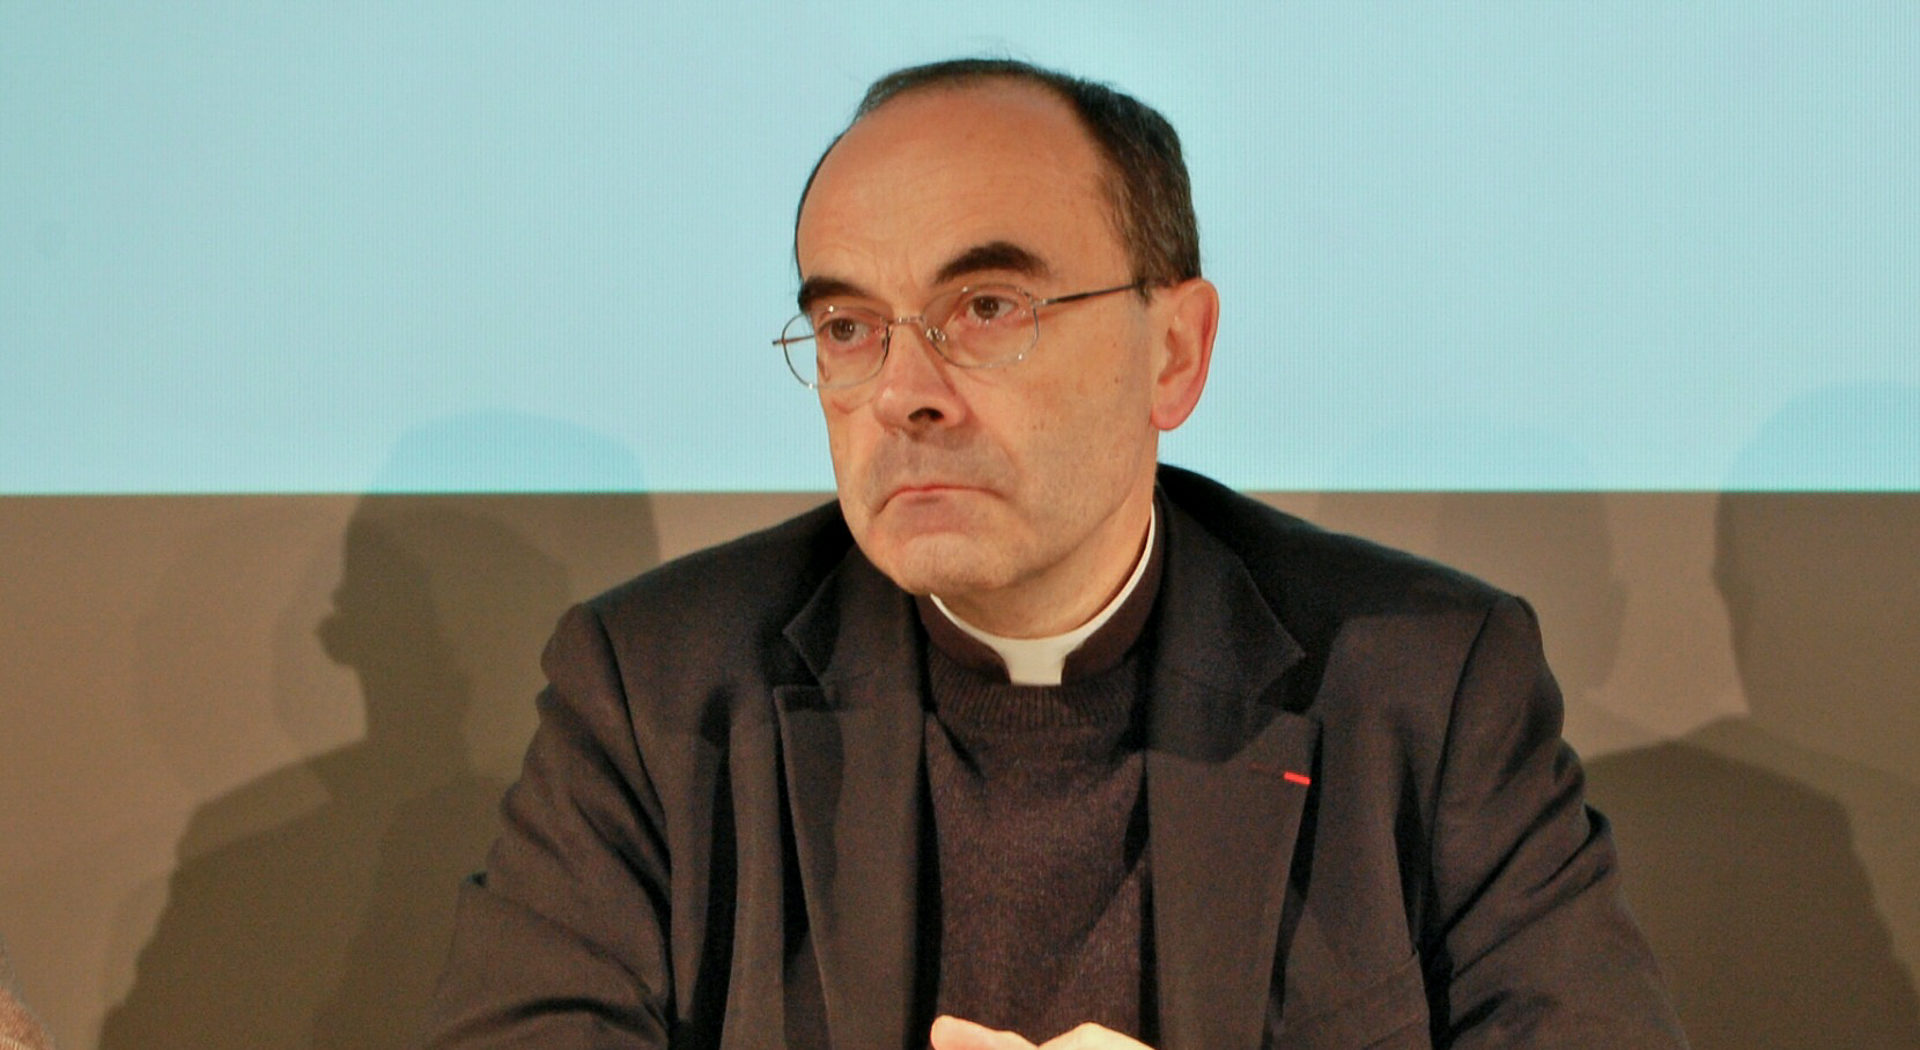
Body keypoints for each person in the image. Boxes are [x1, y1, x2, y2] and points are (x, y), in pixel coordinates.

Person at [425, 58, 1686, 1049]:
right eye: (850, 326)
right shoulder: (656, 693)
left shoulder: (1425, 688)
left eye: (987, 308)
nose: (903, 392)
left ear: (1174, 352)